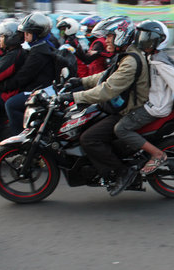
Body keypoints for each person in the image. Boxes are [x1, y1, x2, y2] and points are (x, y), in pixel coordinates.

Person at [57, 16, 150, 196]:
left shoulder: (130, 61)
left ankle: (122, 172)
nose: (105, 40)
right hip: (117, 106)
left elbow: (106, 90)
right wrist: (79, 82)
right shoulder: (124, 55)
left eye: (109, 36)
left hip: (127, 111)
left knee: (89, 138)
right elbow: (103, 77)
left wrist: (73, 96)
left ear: (121, 35)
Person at [114, 20, 174, 177]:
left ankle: (157, 154)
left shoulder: (159, 61)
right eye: (142, 35)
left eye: (147, 36)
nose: (143, 39)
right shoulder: (152, 56)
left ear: (159, 40)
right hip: (153, 104)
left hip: (155, 108)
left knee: (120, 129)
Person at [2, 12, 56, 135]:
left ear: (37, 34)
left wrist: (4, 85)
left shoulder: (39, 52)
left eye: (28, 33)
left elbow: (23, 76)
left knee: (11, 104)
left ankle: (22, 139)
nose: (25, 37)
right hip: (41, 87)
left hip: (43, 90)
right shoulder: (42, 46)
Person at [0, 21, 27, 151]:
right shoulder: (12, 53)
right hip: (4, 91)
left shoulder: (15, 55)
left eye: (2, 37)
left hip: (7, 95)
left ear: (10, 38)